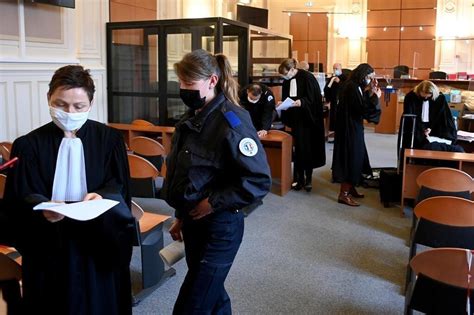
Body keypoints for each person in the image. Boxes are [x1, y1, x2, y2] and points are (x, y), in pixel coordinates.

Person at [2, 65, 135, 314]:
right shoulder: (28, 145)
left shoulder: (110, 140)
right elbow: (20, 195)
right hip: (49, 243)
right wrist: (41, 207)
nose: (69, 112)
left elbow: (119, 186)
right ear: (48, 99)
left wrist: (103, 195)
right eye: (60, 104)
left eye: (78, 106)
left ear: (90, 103)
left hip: (97, 241)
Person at [161, 49, 271, 314]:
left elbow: (258, 180)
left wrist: (211, 203)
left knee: (193, 304)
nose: (184, 89)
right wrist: (181, 215)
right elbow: (188, 174)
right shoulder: (193, 117)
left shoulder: (231, 121)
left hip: (220, 227)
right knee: (213, 295)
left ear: (212, 81)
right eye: (181, 83)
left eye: (189, 84)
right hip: (194, 222)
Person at [332, 63, 381, 207]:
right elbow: (361, 108)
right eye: (369, 77)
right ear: (363, 75)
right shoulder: (351, 87)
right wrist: (375, 97)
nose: (370, 80)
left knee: (358, 156)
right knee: (351, 158)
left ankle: (351, 187)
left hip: (352, 126)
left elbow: (360, 102)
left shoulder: (355, 86)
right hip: (349, 129)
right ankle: (344, 194)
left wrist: (371, 92)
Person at [278, 58, 326, 192]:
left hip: (308, 120)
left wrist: (301, 102)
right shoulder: (287, 80)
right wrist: (282, 104)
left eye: (286, 74)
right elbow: (287, 97)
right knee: (298, 151)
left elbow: (312, 99)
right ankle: (298, 179)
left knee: (308, 150)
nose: (285, 77)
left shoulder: (308, 78)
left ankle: (308, 179)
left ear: (293, 69)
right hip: (296, 120)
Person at [401, 80, 459, 151]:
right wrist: (421, 130)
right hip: (415, 125)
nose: (425, 99)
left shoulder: (440, 98)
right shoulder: (411, 97)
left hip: (434, 126)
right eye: (423, 97)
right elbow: (409, 116)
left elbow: (442, 116)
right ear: (419, 92)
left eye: (428, 97)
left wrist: (430, 128)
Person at [324, 63, 347, 135]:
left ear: (341, 69)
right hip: (333, 102)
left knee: (341, 119)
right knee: (333, 118)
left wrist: (339, 82)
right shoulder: (332, 78)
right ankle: (333, 134)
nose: (335, 70)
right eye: (334, 68)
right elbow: (326, 89)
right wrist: (328, 100)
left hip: (342, 102)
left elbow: (347, 88)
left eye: (336, 69)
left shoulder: (345, 78)